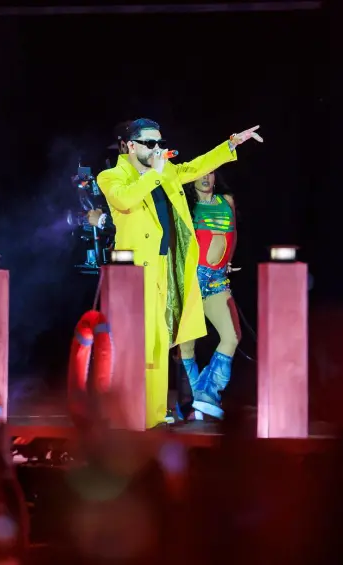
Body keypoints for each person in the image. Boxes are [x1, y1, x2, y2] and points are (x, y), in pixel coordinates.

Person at [96, 118, 262, 429]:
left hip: (166, 266)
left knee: (161, 341)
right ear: (131, 145)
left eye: (159, 142)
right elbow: (125, 199)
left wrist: (231, 145)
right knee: (140, 343)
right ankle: (131, 413)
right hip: (133, 273)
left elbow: (194, 168)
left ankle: (156, 413)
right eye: (149, 143)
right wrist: (154, 174)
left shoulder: (167, 171)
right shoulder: (112, 176)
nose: (157, 148)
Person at [176, 170, 241, 420]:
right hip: (192, 279)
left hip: (216, 280)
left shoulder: (227, 201)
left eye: (211, 173)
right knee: (186, 346)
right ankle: (194, 405)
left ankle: (205, 394)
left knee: (232, 336)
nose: (206, 178)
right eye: (201, 174)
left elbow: (232, 235)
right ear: (192, 179)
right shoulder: (186, 206)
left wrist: (228, 260)